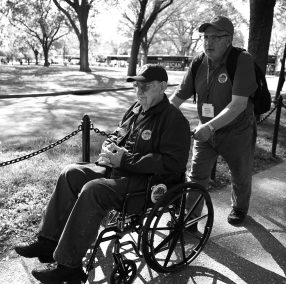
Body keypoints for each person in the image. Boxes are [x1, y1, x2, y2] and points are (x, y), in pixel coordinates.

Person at [14, 64, 191, 284]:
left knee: (93, 190)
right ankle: (48, 242)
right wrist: (110, 145)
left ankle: (69, 266)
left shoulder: (173, 120)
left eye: (146, 86)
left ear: (163, 86)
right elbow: (119, 133)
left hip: (147, 184)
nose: (139, 91)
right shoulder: (136, 108)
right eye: (137, 86)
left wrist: (125, 160)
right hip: (118, 170)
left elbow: (173, 162)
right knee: (71, 173)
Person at [170, 16, 257, 226]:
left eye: (216, 37)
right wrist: (156, 115)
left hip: (237, 132)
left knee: (240, 175)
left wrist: (209, 126)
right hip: (206, 132)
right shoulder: (198, 61)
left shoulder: (242, 60)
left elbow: (237, 105)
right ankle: (190, 219)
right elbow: (178, 97)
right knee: (197, 176)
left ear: (229, 39)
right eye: (206, 37)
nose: (208, 42)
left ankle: (239, 207)